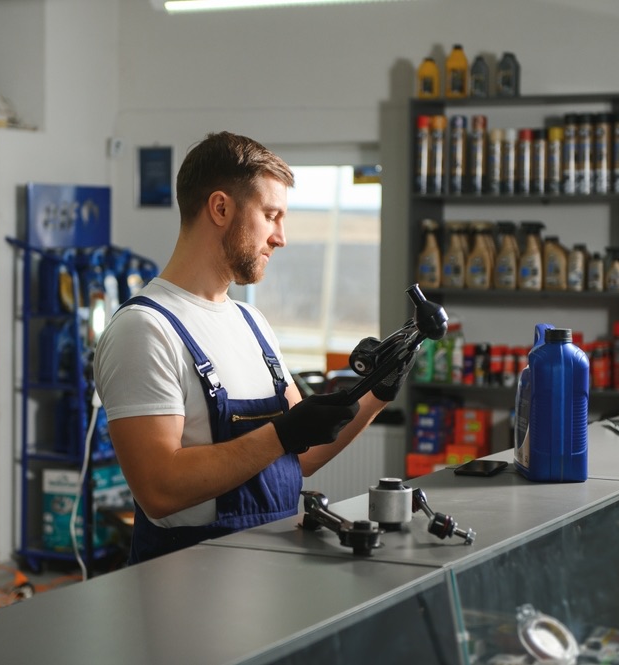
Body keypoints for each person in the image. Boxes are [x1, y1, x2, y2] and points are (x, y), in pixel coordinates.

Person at [93, 131, 415, 564]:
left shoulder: (252, 324)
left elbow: (302, 457)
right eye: (270, 215)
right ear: (221, 207)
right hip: (188, 588)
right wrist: (282, 433)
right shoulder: (145, 330)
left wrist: (378, 392)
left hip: (272, 572)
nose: (280, 237)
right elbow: (159, 489)